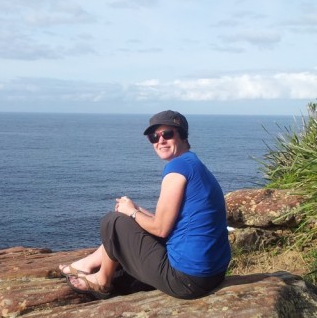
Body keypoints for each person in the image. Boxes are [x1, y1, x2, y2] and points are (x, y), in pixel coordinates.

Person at [59, 110, 231, 300]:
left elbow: (161, 229)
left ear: (182, 135)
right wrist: (135, 210)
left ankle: (102, 281)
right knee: (125, 219)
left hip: (187, 280)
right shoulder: (193, 164)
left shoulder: (177, 169)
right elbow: (172, 223)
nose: (160, 141)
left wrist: (132, 213)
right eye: (153, 137)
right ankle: (89, 263)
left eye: (167, 134)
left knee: (112, 221)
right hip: (213, 274)